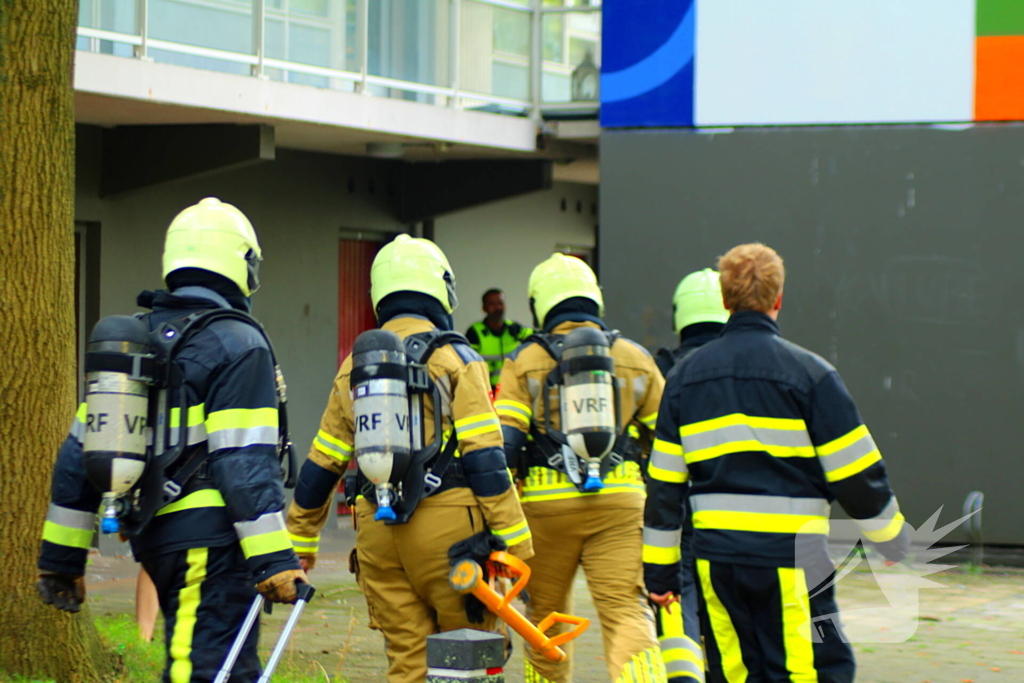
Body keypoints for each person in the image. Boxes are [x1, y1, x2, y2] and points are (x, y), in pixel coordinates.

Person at [37, 197, 307, 682]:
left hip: (155, 534)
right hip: (210, 543)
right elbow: (244, 461)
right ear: (241, 263)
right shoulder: (238, 342)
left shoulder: (134, 342)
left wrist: (62, 559)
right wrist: (274, 560)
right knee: (203, 670)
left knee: (225, 668)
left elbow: (78, 456)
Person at [644, 243, 910, 683]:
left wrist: (660, 575)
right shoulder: (811, 375)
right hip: (792, 561)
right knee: (812, 671)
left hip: (717, 564)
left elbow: (664, 488)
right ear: (778, 299)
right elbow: (855, 473)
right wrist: (891, 539)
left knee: (735, 672)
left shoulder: (684, 380)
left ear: (725, 300)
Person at [286, 235, 533, 683]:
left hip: (377, 535)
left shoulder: (352, 368)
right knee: (466, 660)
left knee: (407, 662)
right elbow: (484, 456)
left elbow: (324, 461)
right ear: (442, 288)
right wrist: (516, 541)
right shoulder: (456, 357)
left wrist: (300, 539)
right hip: (451, 538)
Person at [495, 253, 667, 683]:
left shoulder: (524, 360)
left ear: (539, 304)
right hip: (621, 504)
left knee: (546, 618)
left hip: (545, 508)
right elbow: (667, 440)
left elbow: (505, 445)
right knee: (627, 610)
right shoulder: (634, 356)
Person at [652, 268, 729, 683]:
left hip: (675, 514)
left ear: (679, 315)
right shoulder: (739, 369)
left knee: (676, 599)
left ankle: (682, 675)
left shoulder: (663, 369)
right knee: (724, 605)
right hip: (728, 515)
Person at [465, 288, 533, 389]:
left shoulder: (513, 328)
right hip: (487, 390)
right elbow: (467, 363)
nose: (497, 308)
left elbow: (538, 337)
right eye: (492, 304)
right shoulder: (475, 332)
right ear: (484, 308)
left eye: (500, 303)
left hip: (513, 388)